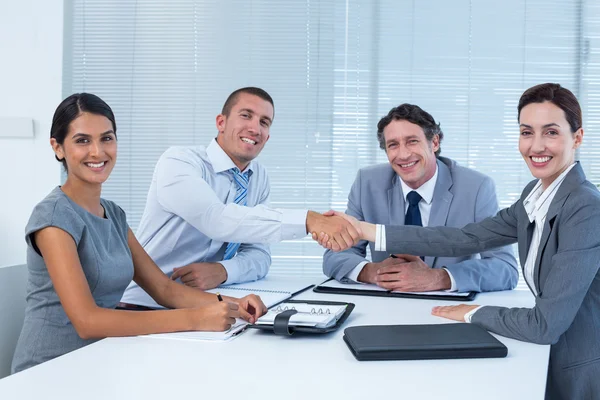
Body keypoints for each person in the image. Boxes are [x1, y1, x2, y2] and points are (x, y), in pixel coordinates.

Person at [321, 83, 600, 399]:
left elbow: (544, 325)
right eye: (526, 132)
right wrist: (367, 230)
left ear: (577, 137)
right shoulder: (534, 196)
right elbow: (466, 237)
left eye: (550, 132)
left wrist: (470, 313)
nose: (536, 146)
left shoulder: (585, 205)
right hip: (547, 357)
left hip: (578, 368)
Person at [11, 93, 268, 374]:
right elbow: (87, 321)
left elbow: (164, 289)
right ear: (58, 148)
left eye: (107, 138)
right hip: (47, 371)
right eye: (82, 140)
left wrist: (234, 304)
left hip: (100, 360)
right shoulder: (53, 216)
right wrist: (195, 318)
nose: (98, 152)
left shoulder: (113, 214)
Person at [121, 87, 359, 307]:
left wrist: (223, 271)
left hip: (205, 304)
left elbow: (259, 255)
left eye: (264, 122)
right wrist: (308, 220)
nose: (255, 128)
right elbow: (216, 220)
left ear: (267, 137)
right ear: (221, 122)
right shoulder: (179, 161)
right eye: (246, 115)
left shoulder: (258, 177)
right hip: (144, 303)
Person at [322, 104, 517, 293]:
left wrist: (438, 277)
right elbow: (337, 253)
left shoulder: (476, 187)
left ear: (434, 142)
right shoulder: (368, 183)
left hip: (444, 310)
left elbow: (505, 268)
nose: (404, 154)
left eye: (412, 141)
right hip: (382, 306)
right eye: (393, 145)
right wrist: (373, 272)